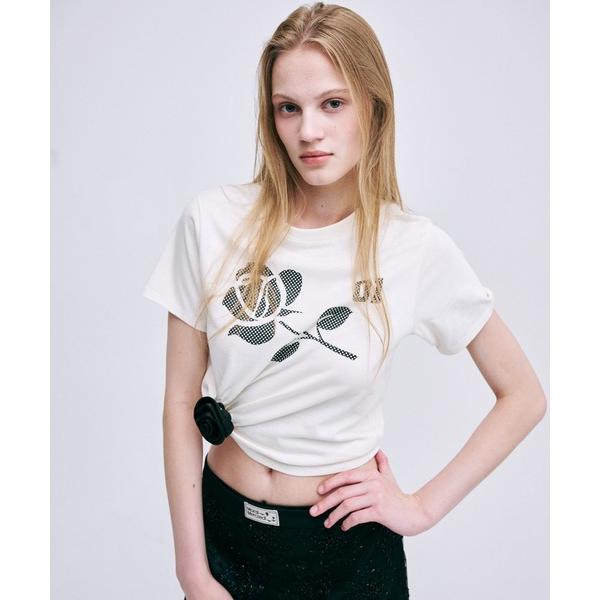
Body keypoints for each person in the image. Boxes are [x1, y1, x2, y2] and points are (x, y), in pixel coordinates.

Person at [141, 3, 547, 599]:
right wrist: (193, 573)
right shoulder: (212, 221)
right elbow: (180, 402)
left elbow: (524, 396)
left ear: (373, 107)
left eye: (333, 103)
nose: (309, 130)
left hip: (350, 557)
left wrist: (421, 508)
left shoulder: (412, 247)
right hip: (226, 538)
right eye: (289, 107)